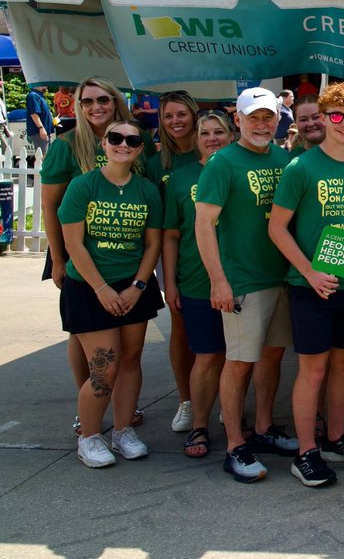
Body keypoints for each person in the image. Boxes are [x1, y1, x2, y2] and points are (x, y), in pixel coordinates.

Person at [270, 82, 344, 486]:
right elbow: (278, 229)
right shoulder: (301, 167)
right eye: (336, 116)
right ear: (323, 118)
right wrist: (310, 273)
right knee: (313, 369)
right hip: (310, 284)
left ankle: (336, 439)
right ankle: (306, 452)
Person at [195, 86, 298, 484]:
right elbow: (204, 226)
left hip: (281, 276)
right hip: (242, 281)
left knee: (271, 358)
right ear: (237, 119)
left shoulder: (284, 158)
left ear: (277, 119)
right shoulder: (222, 163)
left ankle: (264, 429)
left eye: (267, 116)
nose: (261, 124)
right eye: (253, 117)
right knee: (238, 364)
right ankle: (235, 444)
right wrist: (218, 280)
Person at [41, 78, 147, 435]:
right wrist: (57, 259)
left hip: (125, 253)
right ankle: (86, 407)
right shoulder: (67, 145)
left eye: (103, 99)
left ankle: (121, 412)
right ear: (78, 106)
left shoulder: (134, 138)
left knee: (125, 352)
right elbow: (50, 204)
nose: (95, 107)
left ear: (115, 101)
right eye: (87, 101)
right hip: (76, 251)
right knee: (83, 333)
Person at [60, 120, 163, 467]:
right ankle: (89, 437)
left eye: (132, 140)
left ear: (139, 148)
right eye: (115, 138)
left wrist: (138, 286)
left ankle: (122, 430)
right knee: (105, 366)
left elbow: (152, 244)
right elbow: (73, 243)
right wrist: (101, 288)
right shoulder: (83, 186)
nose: (123, 144)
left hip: (133, 285)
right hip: (89, 286)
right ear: (104, 143)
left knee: (132, 360)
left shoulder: (147, 190)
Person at [162, 111, 234, 458]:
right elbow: (171, 236)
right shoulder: (180, 179)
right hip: (194, 281)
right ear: (196, 139)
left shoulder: (244, 168)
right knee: (206, 356)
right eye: (205, 132)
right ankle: (200, 424)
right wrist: (170, 283)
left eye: (219, 131)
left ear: (231, 135)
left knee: (240, 358)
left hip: (244, 279)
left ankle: (234, 416)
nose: (212, 138)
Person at [143, 90, 203, 434]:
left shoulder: (212, 152)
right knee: (180, 326)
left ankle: (225, 399)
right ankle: (187, 399)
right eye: (168, 116)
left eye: (182, 114)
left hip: (216, 253)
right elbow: (157, 223)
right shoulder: (156, 164)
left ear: (193, 115)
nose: (176, 121)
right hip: (175, 256)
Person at [25, 84, 53, 160]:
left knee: (46, 157)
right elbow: (34, 113)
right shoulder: (33, 95)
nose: (47, 85)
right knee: (42, 158)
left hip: (44, 131)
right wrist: (41, 128)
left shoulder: (39, 95)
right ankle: (39, 172)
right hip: (39, 132)